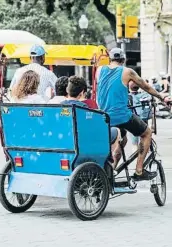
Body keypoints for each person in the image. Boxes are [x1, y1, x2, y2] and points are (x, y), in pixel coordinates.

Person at [96, 48, 165, 181]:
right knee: (146, 133)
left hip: (104, 116)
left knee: (123, 139)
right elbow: (146, 87)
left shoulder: (100, 70)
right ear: (123, 60)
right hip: (121, 115)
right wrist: (161, 97)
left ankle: (111, 172)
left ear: (110, 59)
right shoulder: (127, 71)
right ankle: (139, 170)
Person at [62, 76, 121, 169]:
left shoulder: (59, 105)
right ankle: (108, 159)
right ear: (82, 92)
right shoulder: (83, 107)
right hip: (84, 142)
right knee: (116, 131)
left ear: (67, 90)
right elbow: (94, 126)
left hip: (66, 141)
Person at [128, 81, 151, 151]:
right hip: (144, 118)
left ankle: (135, 155)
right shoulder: (145, 95)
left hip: (132, 119)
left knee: (134, 142)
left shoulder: (127, 96)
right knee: (144, 137)